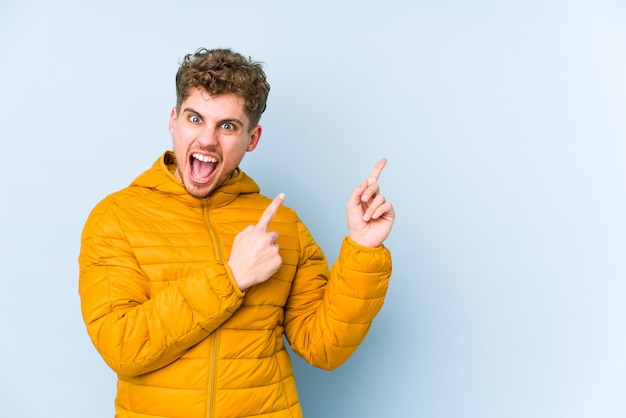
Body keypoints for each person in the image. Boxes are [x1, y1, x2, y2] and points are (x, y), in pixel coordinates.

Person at [78, 47, 395, 418]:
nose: (208, 140)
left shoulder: (283, 225)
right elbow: (123, 348)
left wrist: (363, 250)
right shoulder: (116, 217)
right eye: (195, 119)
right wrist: (232, 278)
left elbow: (324, 347)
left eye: (227, 126)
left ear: (253, 138)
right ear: (173, 120)